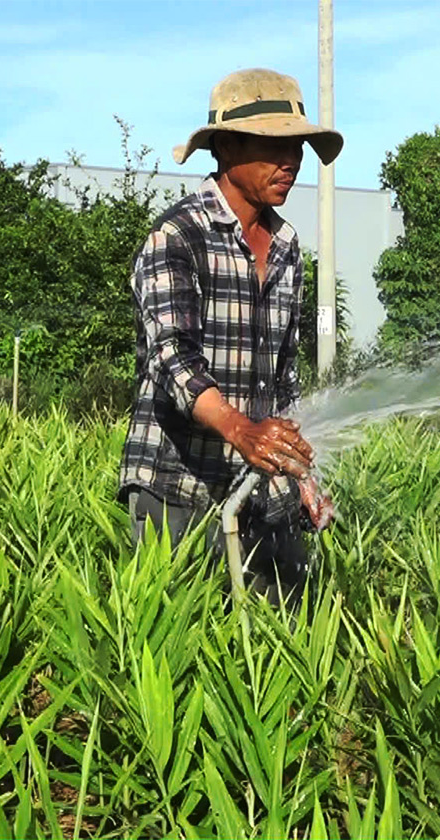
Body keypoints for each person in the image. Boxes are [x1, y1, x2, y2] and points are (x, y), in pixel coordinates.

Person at [117, 68, 337, 608]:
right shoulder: (177, 236)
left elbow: (283, 378)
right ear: (227, 146)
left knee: (271, 647)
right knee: (177, 657)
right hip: (175, 487)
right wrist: (241, 430)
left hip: (256, 490)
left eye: (299, 146)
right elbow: (173, 360)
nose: (292, 161)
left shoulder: (287, 247)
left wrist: (300, 472)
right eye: (275, 145)